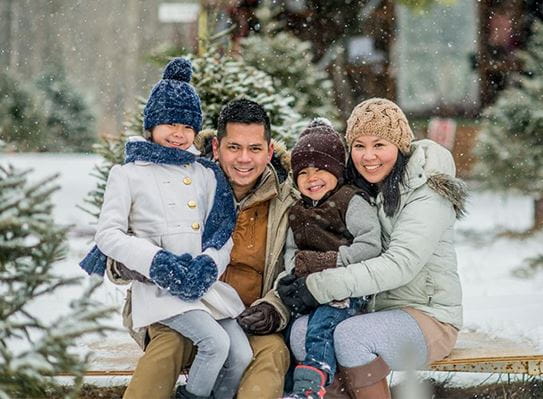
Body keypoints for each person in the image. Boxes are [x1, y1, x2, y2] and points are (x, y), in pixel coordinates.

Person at [81, 58, 253, 399]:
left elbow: (221, 232)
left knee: (241, 354)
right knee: (215, 343)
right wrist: (157, 262)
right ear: (152, 125)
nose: (179, 134)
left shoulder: (205, 173)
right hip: (161, 291)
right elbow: (108, 234)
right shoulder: (128, 174)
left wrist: (209, 264)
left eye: (188, 127)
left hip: (204, 287)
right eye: (171, 124)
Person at [105, 98, 297, 399]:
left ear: (269, 151)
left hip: (247, 317)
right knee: (169, 346)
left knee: (271, 352)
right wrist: (126, 264)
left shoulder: (288, 202)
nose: (244, 159)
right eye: (234, 147)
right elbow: (120, 237)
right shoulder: (186, 180)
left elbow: (295, 272)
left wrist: (274, 308)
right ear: (217, 148)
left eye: (255, 149)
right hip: (177, 307)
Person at [278, 98, 466, 398]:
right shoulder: (360, 190)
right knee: (302, 333)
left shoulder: (427, 193)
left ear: (401, 146)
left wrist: (319, 286)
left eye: (379, 144)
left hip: (429, 316)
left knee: (352, 337)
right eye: (359, 146)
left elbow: (400, 264)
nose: (368, 156)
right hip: (370, 309)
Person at [276, 119, 381, 399]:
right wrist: (293, 270)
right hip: (310, 289)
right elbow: (291, 250)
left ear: (337, 171)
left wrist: (329, 261)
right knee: (288, 334)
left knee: (321, 325)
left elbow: (371, 245)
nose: (312, 178)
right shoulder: (297, 210)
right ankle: (289, 387)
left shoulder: (350, 201)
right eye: (304, 172)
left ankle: (312, 384)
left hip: (348, 287)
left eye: (321, 169)